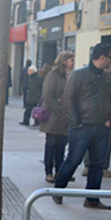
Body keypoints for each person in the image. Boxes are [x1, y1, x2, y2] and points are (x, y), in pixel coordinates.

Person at [52, 42, 111, 209]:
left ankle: (92, 198)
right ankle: (58, 190)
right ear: (103, 57)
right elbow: (68, 99)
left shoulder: (107, 77)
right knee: (73, 159)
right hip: (82, 127)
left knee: (97, 164)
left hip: (101, 126)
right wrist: (75, 123)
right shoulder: (79, 75)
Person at [40, 51, 75, 182]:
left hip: (66, 116)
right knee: (51, 144)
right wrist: (59, 110)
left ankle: (60, 171)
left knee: (61, 145)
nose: (73, 63)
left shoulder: (71, 76)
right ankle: (48, 171)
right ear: (64, 61)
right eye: (71, 60)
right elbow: (48, 96)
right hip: (53, 116)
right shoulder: (52, 75)